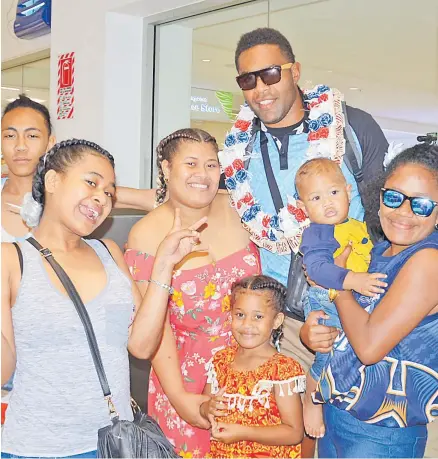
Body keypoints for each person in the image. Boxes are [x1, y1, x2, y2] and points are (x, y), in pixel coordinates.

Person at [1, 138, 208, 458]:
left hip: (116, 444)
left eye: (110, 192)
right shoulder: (11, 260)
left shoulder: (109, 253)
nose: (101, 198)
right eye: (91, 183)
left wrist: (164, 265)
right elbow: (4, 369)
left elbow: (139, 344)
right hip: (39, 448)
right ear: (53, 181)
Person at [124, 128, 261, 458]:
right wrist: (180, 398)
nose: (203, 175)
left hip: (253, 374)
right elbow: (157, 327)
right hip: (186, 380)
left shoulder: (243, 210)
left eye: (211, 165)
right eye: (191, 164)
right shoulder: (146, 234)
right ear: (167, 169)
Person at [300, 142, 438, 458]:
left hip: (381, 433)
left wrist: (338, 283)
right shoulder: (376, 250)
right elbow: (352, 324)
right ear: (379, 197)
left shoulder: (428, 260)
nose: (404, 212)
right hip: (339, 414)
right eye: (394, 197)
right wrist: (314, 332)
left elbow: (370, 346)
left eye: (422, 205)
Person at [295, 158, 386, 438]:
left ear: (348, 191)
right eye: (316, 197)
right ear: (303, 208)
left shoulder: (356, 226)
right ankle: (312, 399)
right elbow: (318, 268)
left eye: (334, 192)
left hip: (348, 300)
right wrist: (353, 279)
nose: (328, 202)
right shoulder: (317, 232)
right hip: (325, 300)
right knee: (327, 352)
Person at [200, 275, 305, 458]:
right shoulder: (221, 361)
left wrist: (244, 432)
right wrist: (208, 407)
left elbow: (294, 432)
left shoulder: (282, 370)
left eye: (258, 317)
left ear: (276, 321)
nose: (247, 325)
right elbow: (203, 406)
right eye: (240, 315)